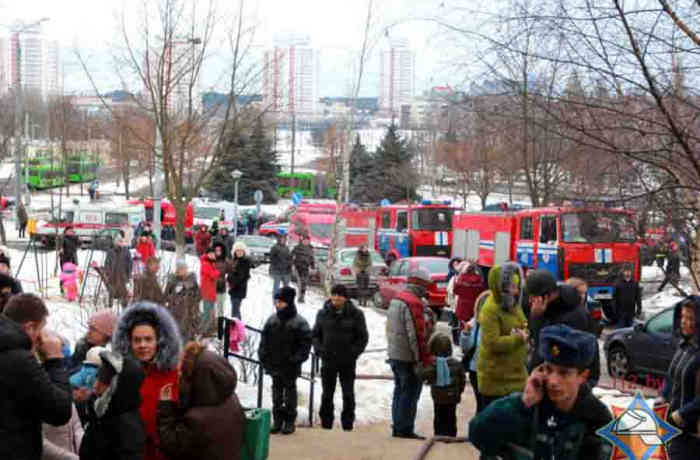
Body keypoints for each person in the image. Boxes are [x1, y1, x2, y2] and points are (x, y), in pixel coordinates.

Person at [469, 324, 613, 460]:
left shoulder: (599, 421)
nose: (553, 381)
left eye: (564, 373)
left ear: (582, 376)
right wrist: (522, 403)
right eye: (548, 370)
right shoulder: (527, 407)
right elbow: (477, 436)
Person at [0, 293, 72, 460]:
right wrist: (54, 360)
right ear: (30, 328)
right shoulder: (18, 360)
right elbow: (59, 411)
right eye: (41, 329)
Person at [112, 302, 182, 460]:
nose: (142, 345)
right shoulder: (119, 375)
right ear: (128, 342)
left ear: (160, 341)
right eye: (137, 340)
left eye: (148, 339)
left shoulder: (174, 375)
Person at [157, 342, 246, 460]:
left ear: (199, 378)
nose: (179, 376)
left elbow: (171, 446)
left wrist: (165, 408)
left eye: (183, 373)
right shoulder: (229, 397)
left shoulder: (198, 419)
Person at [385, 267, 437, 440]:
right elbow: (417, 335)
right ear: (421, 285)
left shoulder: (397, 299)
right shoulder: (413, 303)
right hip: (408, 358)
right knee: (410, 393)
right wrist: (422, 359)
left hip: (395, 354)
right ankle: (405, 428)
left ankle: (397, 426)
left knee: (399, 390)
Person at [526, 270, 601, 386]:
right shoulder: (550, 307)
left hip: (572, 381)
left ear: (546, 296)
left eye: (533, 297)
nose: (530, 301)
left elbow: (546, 350)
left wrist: (537, 318)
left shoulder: (571, 316)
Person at [312, 284, 369, 431]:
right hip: (328, 359)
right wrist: (320, 350)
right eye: (334, 294)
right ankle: (326, 423)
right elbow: (316, 335)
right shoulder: (322, 313)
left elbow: (362, 337)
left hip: (347, 361)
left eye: (339, 295)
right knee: (327, 394)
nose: (336, 298)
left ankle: (347, 423)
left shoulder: (356, 314)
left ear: (345, 297)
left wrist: (353, 353)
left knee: (348, 393)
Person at [259, 286, 312, 435]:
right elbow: (264, 342)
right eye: (277, 301)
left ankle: (289, 422)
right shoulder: (272, 320)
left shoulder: (299, 323)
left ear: (288, 302)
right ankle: (277, 422)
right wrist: (263, 357)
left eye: (281, 302)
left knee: (290, 394)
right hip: (274, 364)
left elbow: (306, 345)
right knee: (276, 395)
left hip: (290, 366)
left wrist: (296, 359)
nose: (278, 304)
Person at [476, 262, 529, 410]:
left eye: (517, 287)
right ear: (501, 288)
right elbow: (492, 343)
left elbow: (523, 325)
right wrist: (518, 338)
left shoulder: (513, 305)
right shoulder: (490, 310)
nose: (516, 291)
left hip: (515, 377)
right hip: (496, 381)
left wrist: (524, 333)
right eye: (512, 287)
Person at [79, 350, 146, 460]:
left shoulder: (127, 427)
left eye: (104, 379)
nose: (96, 384)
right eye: (98, 376)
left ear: (121, 386)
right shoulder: (101, 414)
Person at [659, 297, 700, 459]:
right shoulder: (683, 346)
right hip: (673, 426)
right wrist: (662, 396)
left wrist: (681, 414)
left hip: (692, 432)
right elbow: (671, 377)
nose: (684, 322)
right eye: (683, 317)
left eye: (690, 318)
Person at [421, 331, 466, 437]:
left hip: (438, 397)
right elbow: (462, 380)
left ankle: (439, 435)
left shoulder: (434, 365)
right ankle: (451, 435)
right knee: (451, 417)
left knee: (439, 417)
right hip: (452, 397)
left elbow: (424, 375)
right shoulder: (456, 364)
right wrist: (459, 392)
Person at [459, 290, 490, 414]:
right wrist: (466, 333)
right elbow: (466, 346)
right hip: (476, 370)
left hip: (491, 369)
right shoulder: (475, 323)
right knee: (481, 403)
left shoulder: (500, 323)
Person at [164, 259, 201, 342]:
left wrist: (190, 296)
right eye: (181, 269)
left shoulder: (192, 281)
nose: (183, 270)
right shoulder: (172, 281)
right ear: (177, 270)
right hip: (174, 313)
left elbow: (199, 296)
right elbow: (165, 296)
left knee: (187, 336)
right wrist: (174, 296)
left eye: (185, 268)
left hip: (188, 314)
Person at [96, 236, 133, 309]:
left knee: (123, 292)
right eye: (119, 242)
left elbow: (130, 263)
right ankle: (110, 306)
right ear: (115, 243)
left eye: (122, 242)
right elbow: (107, 262)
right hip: (113, 275)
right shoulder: (111, 251)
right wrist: (107, 272)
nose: (120, 243)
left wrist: (128, 275)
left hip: (123, 275)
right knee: (111, 291)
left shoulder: (126, 251)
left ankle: (124, 307)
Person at [453, 260, 487, 326]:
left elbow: (455, 291)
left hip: (462, 306)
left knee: (463, 325)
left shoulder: (462, 278)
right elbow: (482, 292)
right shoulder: (479, 279)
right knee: (473, 325)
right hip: (474, 306)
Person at [227, 241, 251, 321]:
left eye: (241, 250)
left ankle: (236, 328)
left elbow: (241, 276)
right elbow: (230, 273)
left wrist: (231, 281)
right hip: (233, 289)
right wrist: (228, 279)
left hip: (239, 289)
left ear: (244, 251)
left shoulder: (245, 262)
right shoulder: (234, 260)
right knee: (236, 310)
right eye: (237, 250)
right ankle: (239, 328)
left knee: (234, 312)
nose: (239, 252)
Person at [200, 246, 220, 337]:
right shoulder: (206, 263)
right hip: (207, 292)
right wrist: (217, 272)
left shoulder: (212, 263)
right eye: (210, 254)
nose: (212, 255)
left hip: (211, 292)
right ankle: (202, 331)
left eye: (213, 254)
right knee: (207, 313)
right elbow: (213, 275)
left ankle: (206, 330)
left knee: (210, 312)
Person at [291, 235, 315, 303]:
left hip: (306, 268)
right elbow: (292, 255)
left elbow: (312, 258)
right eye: (305, 240)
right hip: (298, 267)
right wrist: (292, 264)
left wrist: (313, 266)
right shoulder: (297, 247)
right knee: (300, 282)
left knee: (304, 282)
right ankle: (300, 297)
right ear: (302, 241)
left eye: (308, 241)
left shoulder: (311, 248)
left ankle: (302, 296)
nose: (306, 242)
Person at [269, 234, 292, 301]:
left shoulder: (287, 248)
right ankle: (275, 301)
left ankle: (285, 301)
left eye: (284, 239)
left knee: (286, 288)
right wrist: (277, 263)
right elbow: (271, 258)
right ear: (279, 239)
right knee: (276, 287)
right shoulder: (275, 247)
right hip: (277, 271)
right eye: (281, 239)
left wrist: (289, 263)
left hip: (286, 271)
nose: (283, 240)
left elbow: (289, 258)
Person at [213, 241, 230, 323]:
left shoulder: (225, 261)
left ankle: (219, 323)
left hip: (221, 287)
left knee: (220, 307)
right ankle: (211, 324)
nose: (218, 252)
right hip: (211, 287)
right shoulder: (210, 260)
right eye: (216, 250)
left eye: (219, 250)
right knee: (210, 308)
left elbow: (231, 272)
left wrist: (227, 280)